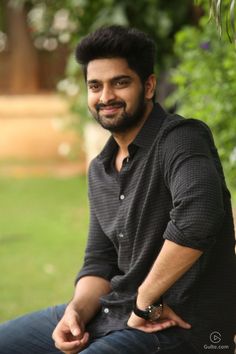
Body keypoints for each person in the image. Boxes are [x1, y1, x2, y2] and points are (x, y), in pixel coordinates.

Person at [0, 25, 235, 354]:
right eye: (95, 86)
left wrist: (145, 301)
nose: (105, 97)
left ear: (149, 86)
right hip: (112, 315)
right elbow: (99, 260)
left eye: (120, 83)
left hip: (174, 327)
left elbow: (199, 216)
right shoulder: (100, 168)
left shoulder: (181, 139)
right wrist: (76, 312)